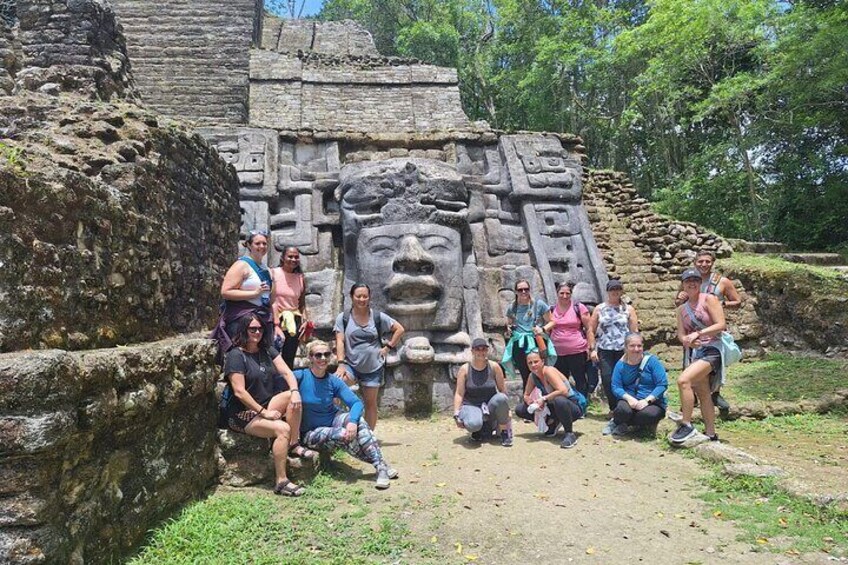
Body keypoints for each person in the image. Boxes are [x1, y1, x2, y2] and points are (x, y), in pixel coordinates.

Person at [222, 313, 311, 496]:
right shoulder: (235, 355)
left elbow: (287, 372)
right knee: (282, 429)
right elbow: (239, 392)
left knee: (293, 398)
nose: (257, 332)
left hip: (265, 404)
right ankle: (281, 481)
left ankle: (293, 444)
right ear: (243, 330)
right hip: (242, 413)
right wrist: (264, 413)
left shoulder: (267, 350)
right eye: (252, 329)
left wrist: (294, 391)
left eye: (260, 328)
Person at [296, 340, 398, 489]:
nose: (323, 358)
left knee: (359, 423)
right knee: (343, 434)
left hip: (333, 420)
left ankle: (380, 467)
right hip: (310, 433)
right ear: (310, 358)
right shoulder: (300, 376)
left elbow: (356, 403)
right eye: (318, 355)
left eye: (326, 354)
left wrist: (352, 421)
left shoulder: (332, 381)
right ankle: (380, 464)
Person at [675, 249, 741, 413]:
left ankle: (715, 393)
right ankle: (692, 398)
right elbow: (678, 303)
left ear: (712, 263)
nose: (704, 264)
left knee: (713, 365)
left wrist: (720, 305)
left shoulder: (722, 282)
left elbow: (738, 301)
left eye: (707, 261)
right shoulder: (688, 280)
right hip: (692, 330)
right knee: (689, 362)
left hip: (712, 328)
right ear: (695, 263)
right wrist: (679, 299)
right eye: (700, 261)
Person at [334, 283, 405, 431]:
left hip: (373, 366)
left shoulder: (377, 316)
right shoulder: (344, 318)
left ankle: (368, 436)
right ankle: (336, 426)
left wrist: (388, 347)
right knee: (334, 387)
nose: (362, 299)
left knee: (370, 403)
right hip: (351, 365)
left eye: (365, 296)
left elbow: (399, 329)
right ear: (352, 297)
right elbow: (340, 341)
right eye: (358, 296)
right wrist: (340, 363)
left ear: (369, 297)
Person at [671, 268, 727, 444]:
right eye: (688, 281)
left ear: (700, 283)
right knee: (703, 392)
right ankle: (711, 433)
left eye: (695, 280)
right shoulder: (681, 310)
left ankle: (686, 424)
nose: (692, 283)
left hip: (713, 349)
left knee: (683, 381)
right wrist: (688, 340)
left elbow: (721, 324)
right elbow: (681, 334)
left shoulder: (709, 299)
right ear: (683, 285)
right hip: (696, 351)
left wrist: (699, 333)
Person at [212, 230, 274, 362]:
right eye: (257, 243)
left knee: (259, 358)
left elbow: (270, 297)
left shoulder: (266, 269)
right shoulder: (241, 265)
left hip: (261, 318)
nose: (262, 246)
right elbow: (226, 291)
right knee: (241, 357)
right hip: (242, 319)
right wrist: (254, 293)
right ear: (249, 245)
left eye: (264, 243)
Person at [589, 279, 639, 434]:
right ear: (608, 291)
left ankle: (623, 410)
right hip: (605, 348)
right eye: (612, 289)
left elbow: (634, 330)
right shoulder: (600, 308)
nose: (615, 292)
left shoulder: (628, 309)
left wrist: (636, 349)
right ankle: (614, 408)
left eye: (618, 289)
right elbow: (591, 329)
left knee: (625, 380)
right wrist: (592, 349)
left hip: (623, 350)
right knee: (607, 378)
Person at [514, 351, 586, 449]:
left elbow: (563, 391)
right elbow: (526, 395)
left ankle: (569, 433)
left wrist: (544, 399)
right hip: (552, 406)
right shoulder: (532, 376)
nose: (533, 365)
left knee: (559, 400)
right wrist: (530, 401)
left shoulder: (549, 371)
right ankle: (552, 423)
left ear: (542, 361)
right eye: (530, 363)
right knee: (520, 409)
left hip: (572, 406)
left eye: (536, 362)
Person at [453, 338, 513, 446]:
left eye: (484, 349)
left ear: (487, 351)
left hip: (490, 405)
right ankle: (478, 429)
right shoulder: (465, 369)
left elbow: (502, 390)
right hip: (471, 404)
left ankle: (504, 431)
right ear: (472, 351)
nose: (481, 352)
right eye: (478, 349)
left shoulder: (494, 367)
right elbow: (459, 393)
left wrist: (507, 410)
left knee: (502, 398)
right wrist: (456, 413)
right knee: (474, 424)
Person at [609, 333, 667, 436]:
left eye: (639, 346)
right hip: (630, 400)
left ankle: (625, 423)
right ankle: (621, 421)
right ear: (626, 347)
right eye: (632, 346)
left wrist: (647, 400)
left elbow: (662, 385)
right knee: (622, 410)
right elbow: (616, 386)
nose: (636, 349)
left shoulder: (652, 361)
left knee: (648, 415)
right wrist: (628, 398)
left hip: (651, 402)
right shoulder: (620, 365)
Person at [542, 281, 592, 398]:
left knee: (580, 379)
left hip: (577, 350)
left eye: (567, 293)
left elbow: (589, 328)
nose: (564, 296)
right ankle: (565, 405)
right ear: (557, 294)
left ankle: (582, 404)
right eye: (562, 293)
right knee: (559, 380)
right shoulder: (551, 310)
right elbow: (547, 330)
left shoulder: (578, 308)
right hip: (557, 352)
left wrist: (591, 347)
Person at [502, 279, 555, 388]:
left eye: (526, 289)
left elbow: (552, 321)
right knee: (525, 374)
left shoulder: (538, 304)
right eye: (520, 290)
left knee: (541, 372)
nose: (523, 292)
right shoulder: (512, 307)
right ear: (516, 292)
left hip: (536, 341)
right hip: (520, 343)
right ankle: (529, 400)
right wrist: (509, 328)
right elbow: (509, 323)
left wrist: (543, 329)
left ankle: (546, 398)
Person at [271, 246, 311, 369]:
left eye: (296, 257)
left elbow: (302, 303)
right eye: (290, 256)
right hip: (276, 319)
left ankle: (286, 386)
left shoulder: (300, 278)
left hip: (294, 321)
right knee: (272, 354)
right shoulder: (273, 273)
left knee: (289, 357)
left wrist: (305, 320)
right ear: (283, 258)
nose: (293, 259)